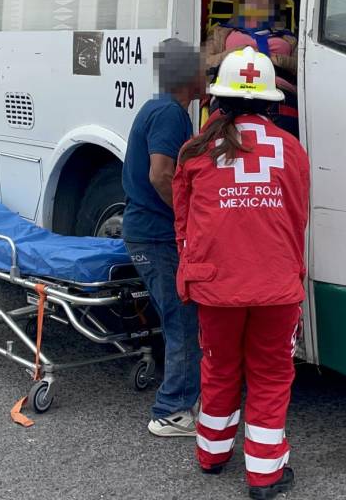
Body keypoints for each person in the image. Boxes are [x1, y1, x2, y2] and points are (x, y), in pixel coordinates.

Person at [173, 48, 310, 499]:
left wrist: (195, 272)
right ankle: (265, 475)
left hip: (216, 287)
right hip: (275, 286)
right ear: (272, 104)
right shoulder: (291, 151)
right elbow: (297, 218)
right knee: (271, 375)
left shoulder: (194, 152)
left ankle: (212, 455)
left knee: (219, 368)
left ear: (218, 101)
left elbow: (184, 224)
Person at [122, 38, 205, 438]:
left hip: (146, 232)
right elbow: (160, 174)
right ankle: (172, 411)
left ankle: (183, 398)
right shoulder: (171, 114)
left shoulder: (162, 107)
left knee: (180, 318)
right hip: (155, 236)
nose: (208, 74)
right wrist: (189, 220)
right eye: (203, 68)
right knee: (183, 320)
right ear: (189, 76)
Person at [202, 0, 299, 137]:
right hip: (229, 90)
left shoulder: (288, 37)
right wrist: (239, 53)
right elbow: (204, 63)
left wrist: (272, 59)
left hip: (279, 91)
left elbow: (305, 67)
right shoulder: (221, 32)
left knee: (282, 132)